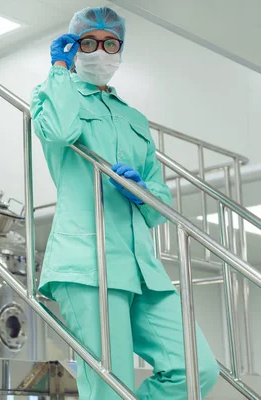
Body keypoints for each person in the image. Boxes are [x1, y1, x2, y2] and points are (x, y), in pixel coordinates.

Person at [30, 6, 220, 399]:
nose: (100, 50)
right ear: (74, 47)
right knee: (109, 384)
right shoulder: (53, 94)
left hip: (141, 268)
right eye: (89, 42)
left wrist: (143, 193)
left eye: (110, 42)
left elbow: (158, 200)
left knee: (196, 370)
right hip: (87, 261)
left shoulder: (134, 117)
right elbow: (62, 132)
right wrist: (59, 71)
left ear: (121, 50)